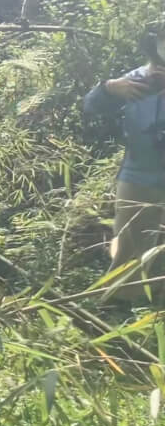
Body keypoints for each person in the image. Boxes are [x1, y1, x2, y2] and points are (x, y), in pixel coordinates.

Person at [83, 22, 165, 301]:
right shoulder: (134, 80)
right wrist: (108, 88)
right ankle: (119, 305)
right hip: (139, 176)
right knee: (129, 249)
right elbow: (90, 106)